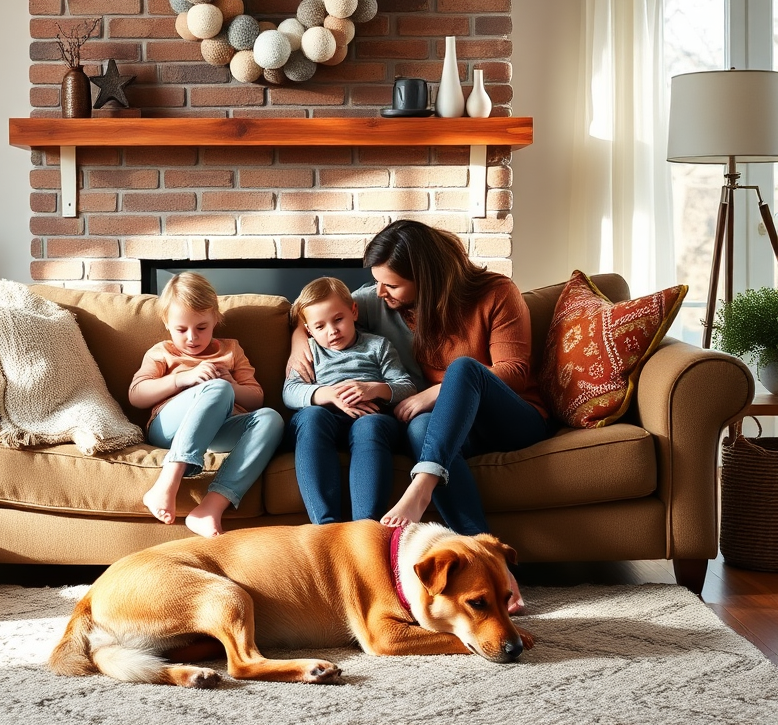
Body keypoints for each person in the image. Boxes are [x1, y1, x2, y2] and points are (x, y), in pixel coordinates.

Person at [288, 220, 549, 613]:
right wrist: (297, 341)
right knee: (422, 429)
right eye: (378, 284)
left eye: (390, 284)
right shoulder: (387, 300)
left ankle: (422, 486)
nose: (380, 292)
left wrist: (433, 391)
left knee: (462, 369)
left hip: (510, 417)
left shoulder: (497, 292)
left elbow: (513, 370)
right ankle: (489, 564)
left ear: (424, 276)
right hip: (451, 427)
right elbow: (321, 308)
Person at [129, 271, 284, 537]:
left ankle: (211, 507)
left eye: (201, 327)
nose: (192, 338)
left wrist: (231, 386)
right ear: (167, 323)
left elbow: (256, 397)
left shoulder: (231, 350)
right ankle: (168, 481)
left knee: (271, 418)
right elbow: (137, 394)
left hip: (216, 432)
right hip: (169, 429)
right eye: (181, 329)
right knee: (218, 388)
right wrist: (181, 379)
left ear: (215, 319)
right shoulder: (163, 352)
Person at [283, 276, 416, 525]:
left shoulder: (378, 346)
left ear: (354, 311)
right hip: (325, 419)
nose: (332, 331)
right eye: (320, 326)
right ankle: (325, 525)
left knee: (371, 425)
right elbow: (290, 391)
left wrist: (374, 389)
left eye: (338, 319)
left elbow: (406, 387)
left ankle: (365, 528)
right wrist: (328, 394)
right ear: (308, 330)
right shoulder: (310, 351)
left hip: (371, 418)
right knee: (311, 416)